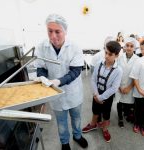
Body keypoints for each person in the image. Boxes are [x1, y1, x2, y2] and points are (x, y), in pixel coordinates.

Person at [34, 14, 88, 150]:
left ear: (65, 31)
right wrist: (42, 78)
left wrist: (58, 81)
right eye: (50, 31)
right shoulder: (41, 47)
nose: (53, 36)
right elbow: (41, 67)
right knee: (61, 122)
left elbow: (75, 71)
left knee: (76, 118)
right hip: (55, 94)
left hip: (73, 92)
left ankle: (77, 136)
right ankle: (65, 143)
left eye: (57, 31)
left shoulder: (74, 47)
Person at [82, 41, 123, 143]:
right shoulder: (99, 63)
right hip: (97, 93)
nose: (107, 56)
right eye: (106, 52)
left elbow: (114, 88)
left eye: (110, 54)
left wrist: (101, 97)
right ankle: (93, 124)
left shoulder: (118, 70)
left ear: (116, 55)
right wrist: (96, 94)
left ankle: (104, 129)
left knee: (106, 114)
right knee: (95, 110)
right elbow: (93, 80)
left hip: (107, 96)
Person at [115, 37, 139, 128]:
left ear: (134, 48)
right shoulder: (119, 58)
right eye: (127, 45)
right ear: (124, 46)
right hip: (119, 85)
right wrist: (118, 86)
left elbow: (137, 76)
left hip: (131, 85)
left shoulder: (138, 60)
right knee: (119, 102)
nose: (129, 48)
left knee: (129, 103)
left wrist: (129, 87)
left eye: (131, 46)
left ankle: (127, 114)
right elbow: (116, 72)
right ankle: (120, 118)